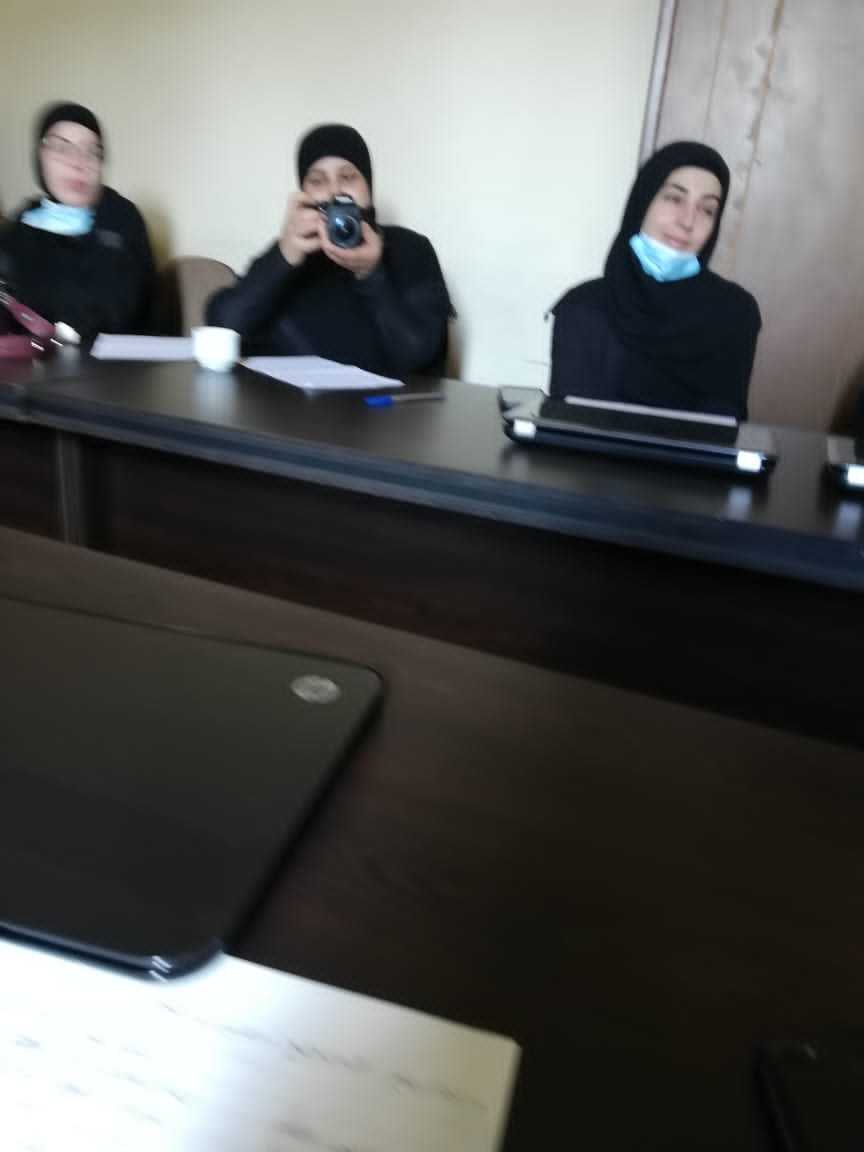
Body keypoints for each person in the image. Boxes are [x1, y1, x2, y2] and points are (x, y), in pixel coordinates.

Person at [207, 124, 451, 376]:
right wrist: (282, 257)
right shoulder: (291, 250)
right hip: (289, 400)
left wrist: (370, 274)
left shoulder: (410, 249)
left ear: (368, 186)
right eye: (318, 181)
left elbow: (420, 357)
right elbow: (222, 329)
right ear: (303, 193)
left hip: (382, 401)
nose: (334, 191)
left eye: (348, 177)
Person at [550, 141, 761, 421]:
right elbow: (569, 429)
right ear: (642, 202)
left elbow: (723, 428)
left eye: (707, 210)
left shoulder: (735, 314)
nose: (688, 221)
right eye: (674, 198)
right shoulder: (582, 308)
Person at [0, 102, 154, 340]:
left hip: (110, 360)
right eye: (62, 147)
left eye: (92, 151)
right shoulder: (22, 222)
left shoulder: (121, 217)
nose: (78, 163)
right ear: (39, 157)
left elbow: (116, 309)